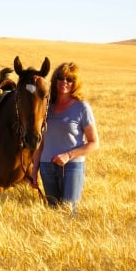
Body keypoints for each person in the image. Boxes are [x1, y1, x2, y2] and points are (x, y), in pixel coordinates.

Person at [31, 62, 99, 215]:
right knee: (53, 212)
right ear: (54, 80)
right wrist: (34, 170)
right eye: (60, 78)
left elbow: (94, 143)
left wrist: (68, 156)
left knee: (69, 212)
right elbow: (40, 143)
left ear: (75, 83)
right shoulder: (46, 106)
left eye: (70, 79)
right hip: (46, 167)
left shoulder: (82, 107)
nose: (64, 82)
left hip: (71, 167)